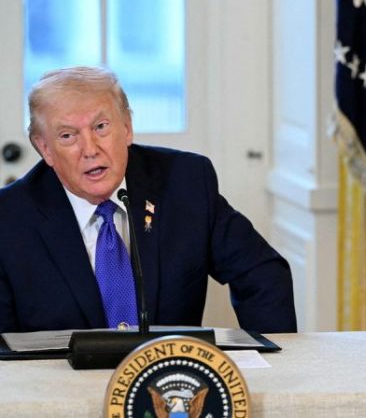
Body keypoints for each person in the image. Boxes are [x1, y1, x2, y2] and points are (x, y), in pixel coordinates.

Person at [0, 66, 297, 334]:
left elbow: (262, 273)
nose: (90, 149)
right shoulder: (10, 219)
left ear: (127, 127)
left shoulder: (184, 183)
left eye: (101, 127)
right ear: (45, 148)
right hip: (60, 376)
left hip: (165, 371)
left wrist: (268, 360)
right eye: (67, 136)